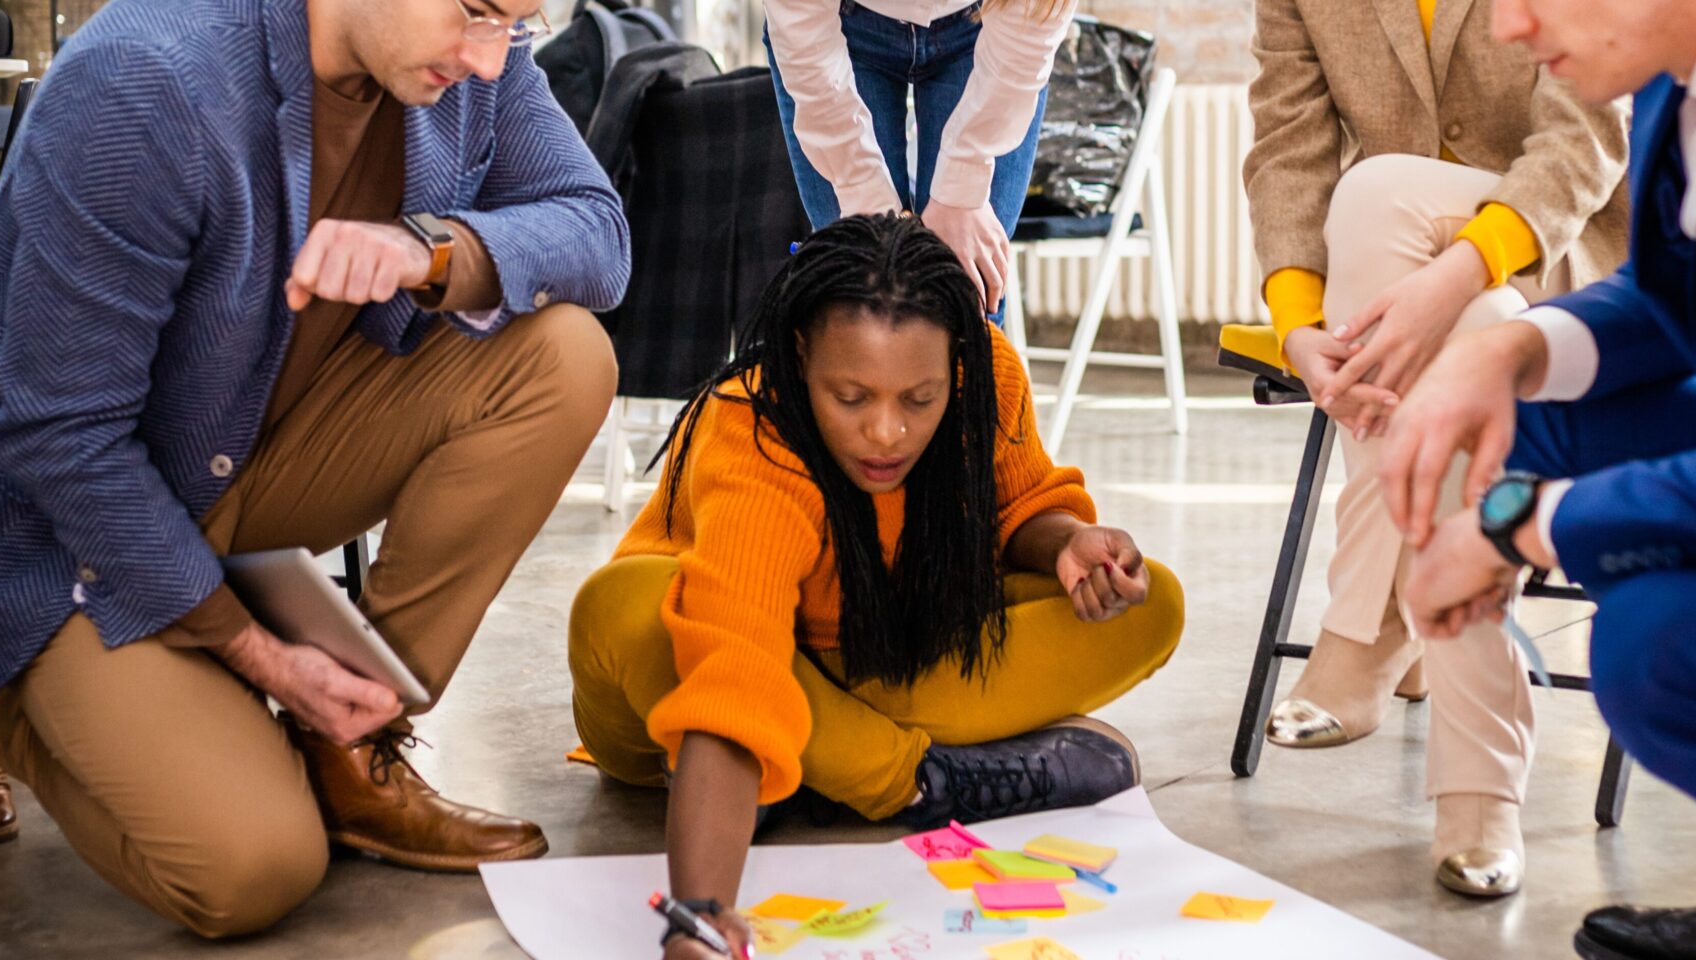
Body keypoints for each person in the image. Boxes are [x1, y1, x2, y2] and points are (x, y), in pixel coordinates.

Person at [0, 0, 629, 937]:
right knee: (252, 871)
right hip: (43, 518)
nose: (492, 60)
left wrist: (430, 248)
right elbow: (60, 438)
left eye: (516, 22)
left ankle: (355, 742)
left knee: (565, 358)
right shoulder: (145, 78)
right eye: (477, 12)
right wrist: (260, 658)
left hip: (234, 442)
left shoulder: (471, 66)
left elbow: (599, 234)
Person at [565, 213, 1183, 959]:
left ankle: (807, 769)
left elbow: (1018, 509)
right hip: (700, 681)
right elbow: (734, 672)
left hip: (881, 658)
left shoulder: (985, 371)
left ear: (954, 365)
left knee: (1152, 605)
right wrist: (698, 918)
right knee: (629, 607)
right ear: (799, 358)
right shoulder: (752, 427)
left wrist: (1067, 546)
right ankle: (914, 782)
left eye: (918, 401)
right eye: (851, 398)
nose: (886, 433)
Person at [1379, 0, 1696, 954]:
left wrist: (1517, 526)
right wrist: (1507, 349)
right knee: (1533, 414)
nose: (1508, 25)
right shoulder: (1688, 65)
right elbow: (1686, 285)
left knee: (1659, 654)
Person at [1239, 0, 1629, 896]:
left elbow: (1590, 136)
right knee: (1422, 273)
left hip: (1561, 249)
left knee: (1375, 190)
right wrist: (1300, 326)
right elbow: (1287, 144)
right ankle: (1479, 788)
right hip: (1392, 282)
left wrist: (1451, 278)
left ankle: (1375, 616)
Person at [761, 0, 1075, 316]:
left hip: (993, 22)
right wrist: (862, 190)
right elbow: (800, 25)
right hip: (835, 28)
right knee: (859, 290)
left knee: (964, 292)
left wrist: (962, 188)